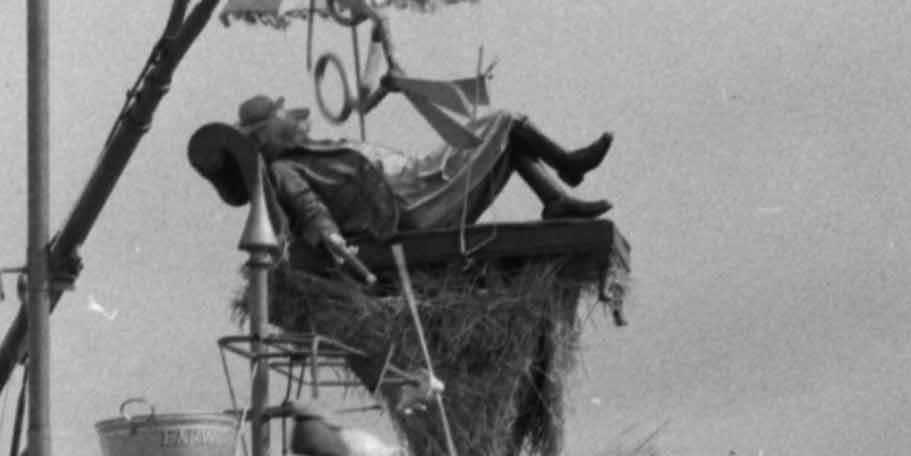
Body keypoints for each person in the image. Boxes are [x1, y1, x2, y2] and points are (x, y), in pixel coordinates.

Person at [183, 91, 610, 289]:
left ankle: (555, 196)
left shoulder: (306, 151)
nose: (289, 121)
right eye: (278, 119)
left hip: (414, 183)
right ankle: (567, 166)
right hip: (410, 204)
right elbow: (310, 210)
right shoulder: (283, 168)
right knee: (502, 121)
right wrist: (334, 243)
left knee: (504, 135)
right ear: (266, 135)